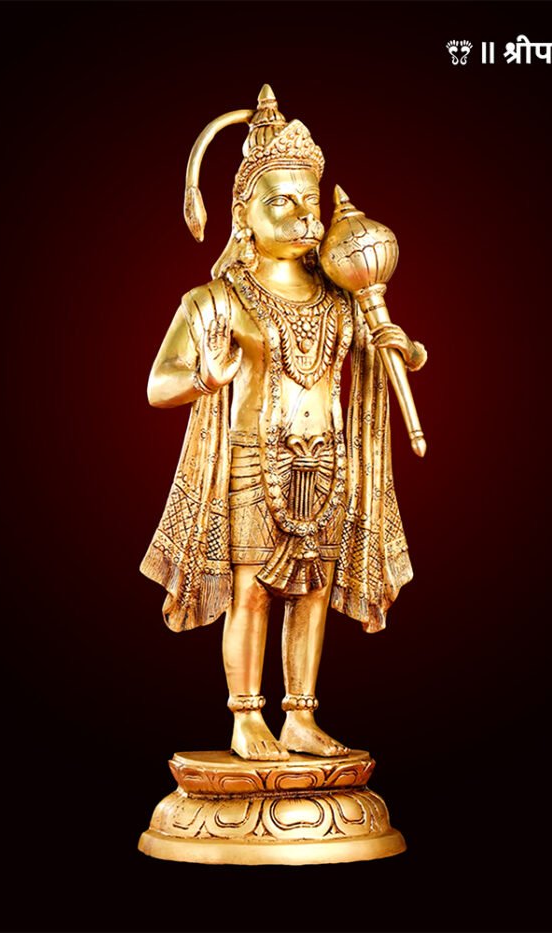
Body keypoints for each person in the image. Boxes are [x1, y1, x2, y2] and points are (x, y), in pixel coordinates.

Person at [141, 86, 426, 761]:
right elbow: (158, 385)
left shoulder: (341, 298)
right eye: (281, 203)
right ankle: (246, 717)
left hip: (329, 458)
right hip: (253, 458)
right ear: (242, 213)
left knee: (315, 588)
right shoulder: (217, 299)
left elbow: (383, 353)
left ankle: (300, 714)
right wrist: (205, 379)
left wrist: (406, 349)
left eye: (309, 203)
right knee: (253, 587)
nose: (303, 218)